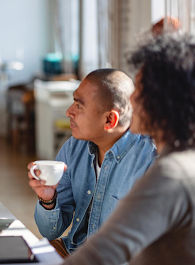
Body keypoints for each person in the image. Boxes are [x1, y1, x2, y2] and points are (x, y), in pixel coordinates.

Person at [64, 35, 195, 264]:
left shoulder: (176, 173)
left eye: (140, 90)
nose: (130, 98)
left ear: (167, 102)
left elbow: (98, 256)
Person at [28, 69, 157, 257]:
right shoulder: (74, 147)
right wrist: (48, 199)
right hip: (75, 251)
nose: (68, 112)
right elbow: (50, 231)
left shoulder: (149, 161)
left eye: (79, 106)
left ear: (109, 120)